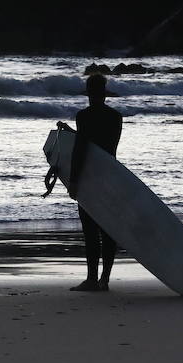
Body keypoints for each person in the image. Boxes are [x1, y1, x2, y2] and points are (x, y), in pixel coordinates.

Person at [52, 74, 123, 291]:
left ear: (89, 93)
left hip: (89, 178)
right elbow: (106, 147)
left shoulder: (83, 116)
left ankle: (92, 279)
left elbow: (81, 149)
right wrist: (74, 133)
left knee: (90, 231)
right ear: (104, 93)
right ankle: (105, 280)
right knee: (108, 229)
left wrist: (73, 181)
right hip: (110, 175)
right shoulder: (116, 116)